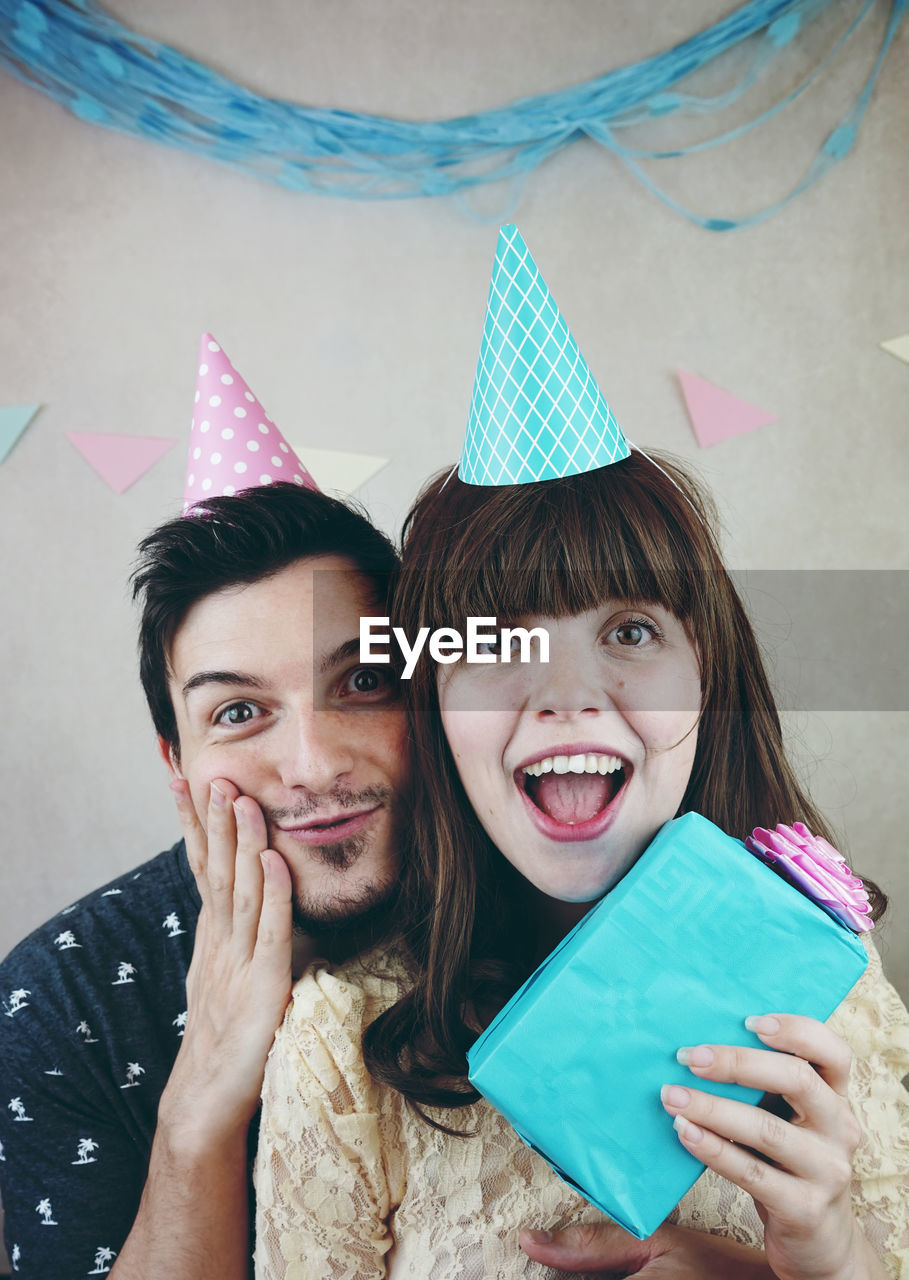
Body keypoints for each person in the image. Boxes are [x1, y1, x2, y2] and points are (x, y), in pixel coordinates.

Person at [252, 228, 909, 1279]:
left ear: (709, 672)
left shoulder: (831, 990)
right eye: (499, 642)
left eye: (630, 631)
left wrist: (824, 1256)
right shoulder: (343, 1043)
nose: (564, 696)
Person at [0, 476, 409, 1280]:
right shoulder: (58, 1001)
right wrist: (201, 1105)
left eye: (362, 681)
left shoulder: (538, 898)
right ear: (175, 764)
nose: (313, 765)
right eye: (238, 712)